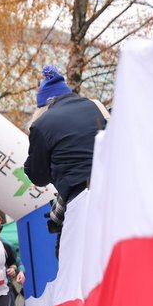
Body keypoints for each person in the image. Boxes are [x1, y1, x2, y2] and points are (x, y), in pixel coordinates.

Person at [24, 65, 108, 237]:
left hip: (80, 200)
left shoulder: (41, 124)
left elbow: (39, 177)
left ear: (43, 105)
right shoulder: (97, 107)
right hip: (111, 189)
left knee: (75, 252)